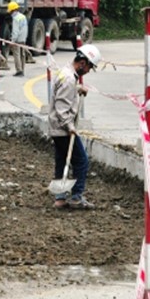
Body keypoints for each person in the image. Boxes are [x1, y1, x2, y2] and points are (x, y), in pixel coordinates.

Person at [48, 44, 102, 210]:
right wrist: (70, 127)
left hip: (57, 127)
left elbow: (64, 92)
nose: (87, 71)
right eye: (89, 67)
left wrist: (78, 88)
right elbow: (61, 108)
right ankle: (77, 196)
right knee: (81, 161)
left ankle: (60, 197)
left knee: (61, 161)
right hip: (63, 129)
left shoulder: (66, 74)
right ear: (82, 62)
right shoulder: (69, 78)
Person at [8, 1, 28, 76]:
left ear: (12, 10)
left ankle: (19, 71)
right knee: (22, 54)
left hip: (17, 40)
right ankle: (22, 69)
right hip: (23, 38)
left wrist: (12, 41)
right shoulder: (23, 17)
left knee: (16, 54)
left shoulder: (15, 18)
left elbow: (15, 31)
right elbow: (25, 28)